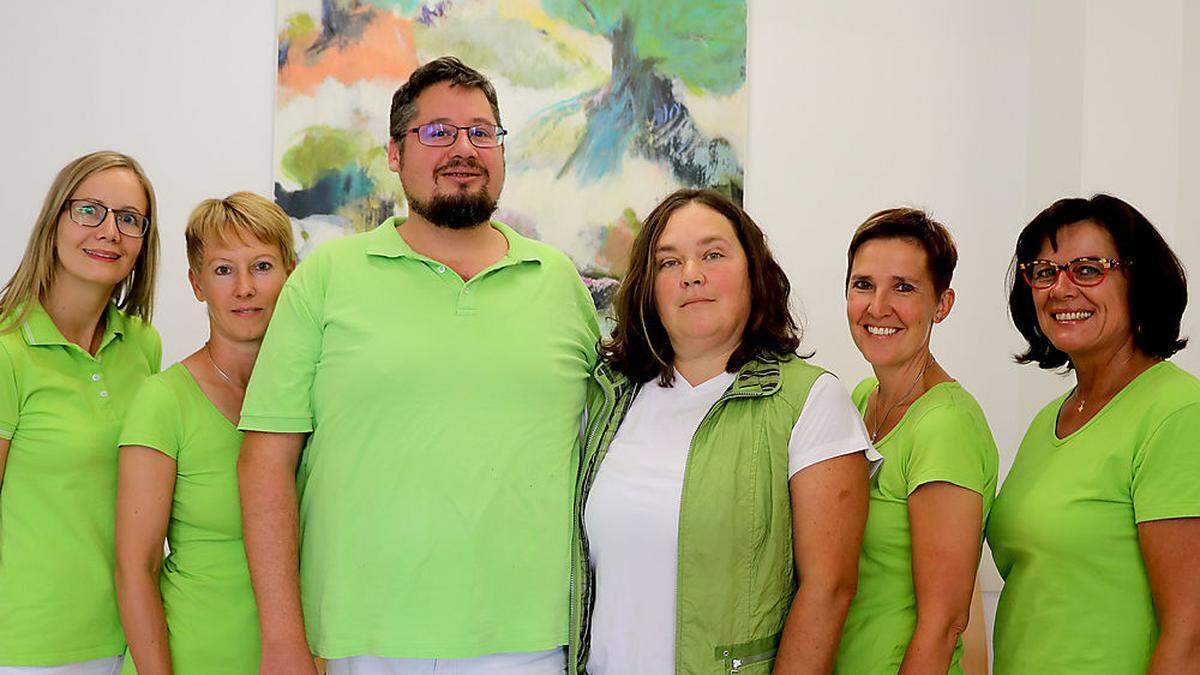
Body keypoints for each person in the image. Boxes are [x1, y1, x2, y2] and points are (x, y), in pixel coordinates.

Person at [237, 56, 600, 674]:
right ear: (396, 154)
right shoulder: (327, 277)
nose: (464, 148)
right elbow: (266, 462)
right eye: (437, 132)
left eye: (481, 132)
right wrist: (282, 639)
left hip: (529, 640)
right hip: (362, 638)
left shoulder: (559, 280)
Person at [568, 188, 879, 675]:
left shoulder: (811, 402)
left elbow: (830, 589)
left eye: (713, 254)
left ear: (754, 272)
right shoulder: (611, 399)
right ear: (649, 288)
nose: (691, 274)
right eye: (669, 263)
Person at [987, 194, 1200, 674]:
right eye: (1044, 271)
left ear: (1138, 283)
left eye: (1087, 269)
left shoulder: (1178, 414)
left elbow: (1190, 635)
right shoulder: (1051, 418)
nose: (1060, 289)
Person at [114, 193, 296, 674]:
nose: (243, 289)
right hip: (191, 655)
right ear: (196, 283)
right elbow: (137, 568)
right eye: (222, 270)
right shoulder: (162, 400)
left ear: (292, 273)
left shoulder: (315, 395)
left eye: (261, 266)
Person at [0, 151, 161, 673]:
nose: (109, 232)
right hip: (28, 646)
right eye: (90, 210)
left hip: (130, 638)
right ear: (55, 221)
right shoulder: (7, 350)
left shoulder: (143, 346)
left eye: (129, 219)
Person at [834, 208, 998, 674]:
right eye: (863, 284)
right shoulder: (864, 398)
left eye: (903, 287)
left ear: (942, 304)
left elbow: (945, 624)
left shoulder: (946, 427)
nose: (878, 305)